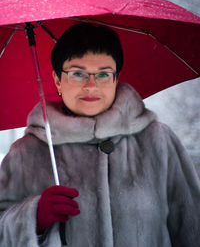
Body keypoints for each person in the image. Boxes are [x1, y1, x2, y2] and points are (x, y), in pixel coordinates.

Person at [0, 22, 200, 247]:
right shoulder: (25, 154)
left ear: (116, 78)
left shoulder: (158, 142)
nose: (91, 85)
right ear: (57, 80)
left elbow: (192, 229)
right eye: (77, 73)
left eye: (103, 74)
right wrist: (33, 219)